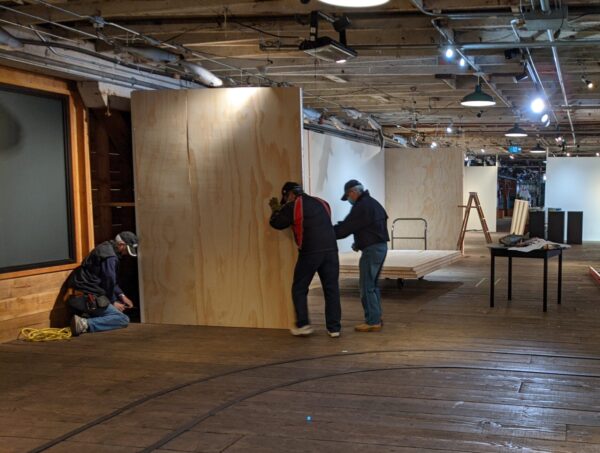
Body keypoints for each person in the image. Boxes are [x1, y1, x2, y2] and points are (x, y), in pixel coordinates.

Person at [269, 182, 342, 338]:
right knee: (331, 289)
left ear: (290, 194)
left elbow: (277, 223)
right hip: (331, 250)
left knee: (299, 288)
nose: (286, 201)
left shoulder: (293, 206)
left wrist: (276, 210)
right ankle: (334, 328)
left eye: (286, 197)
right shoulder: (323, 202)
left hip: (310, 252)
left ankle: (303, 325)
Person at [334, 180, 389, 332]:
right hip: (380, 247)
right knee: (372, 284)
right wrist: (359, 243)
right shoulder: (372, 203)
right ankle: (377, 316)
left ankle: (372, 321)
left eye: (348, 196)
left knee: (366, 286)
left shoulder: (362, 206)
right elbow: (372, 228)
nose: (349, 200)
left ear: (353, 192)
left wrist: (327, 232)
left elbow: (346, 227)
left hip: (372, 250)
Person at [67, 231, 139, 336]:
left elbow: (110, 281)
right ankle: (84, 324)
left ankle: (86, 317)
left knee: (112, 310)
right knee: (122, 319)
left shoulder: (105, 248)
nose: (126, 253)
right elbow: (109, 281)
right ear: (121, 245)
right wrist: (113, 302)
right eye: (127, 250)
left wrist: (121, 295)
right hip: (85, 297)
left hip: (78, 294)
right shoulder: (110, 257)